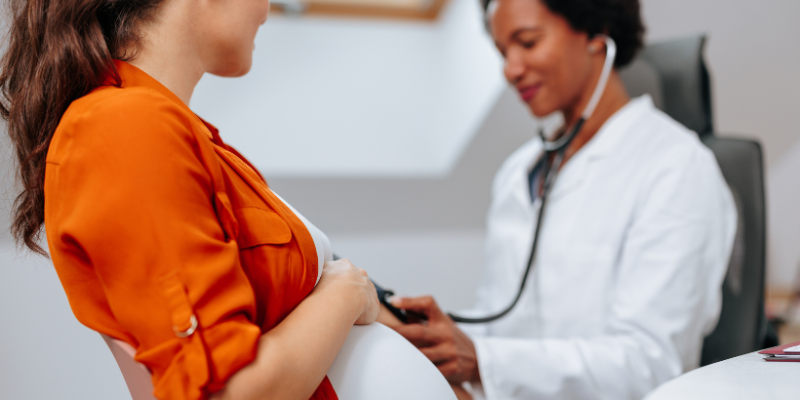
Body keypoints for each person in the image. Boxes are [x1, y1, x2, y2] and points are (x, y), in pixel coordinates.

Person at [0, 1, 451, 399]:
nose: (266, 9)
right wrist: (344, 294)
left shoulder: (185, 137)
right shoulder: (121, 126)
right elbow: (227, 393)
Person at [384, 0, 738, 399]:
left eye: (528, 42)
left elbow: (650, 364)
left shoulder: (676, 166)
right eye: (502, 51)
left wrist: (484, 360)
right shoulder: (518, 172)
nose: (510, 70)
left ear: (596, 33)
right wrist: (441, 338)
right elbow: (499, 321)